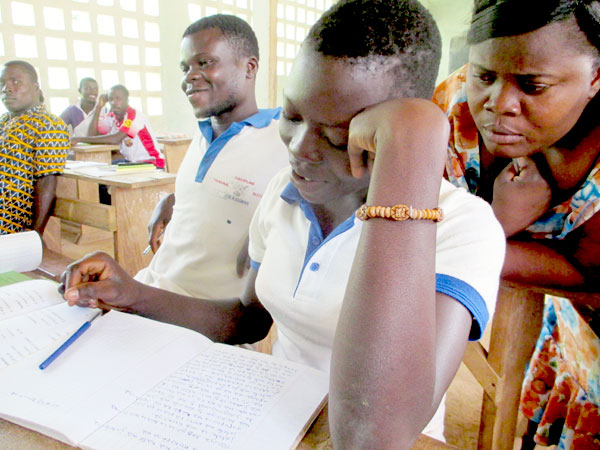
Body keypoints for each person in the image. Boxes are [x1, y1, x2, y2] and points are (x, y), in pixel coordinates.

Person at [60, 0, 505, 446]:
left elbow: (375, 437)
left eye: (337, 136)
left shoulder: (463, 229)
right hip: (271, 423)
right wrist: (133, 294)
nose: (300, 148)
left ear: (393, 128)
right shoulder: (283, 192)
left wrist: (414, 143)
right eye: (292, 115)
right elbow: (247, 320)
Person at [432, 0, 600, 447]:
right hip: (572, 350)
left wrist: (473, 234)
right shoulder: (450, 113)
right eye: (483, 75)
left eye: (533, 85)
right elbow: (401, 230)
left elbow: (590, 275)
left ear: (596, 78)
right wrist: (497, 220)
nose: (499, 105)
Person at [134, 14, 288, 300]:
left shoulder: (285, 139)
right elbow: (217, 188)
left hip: (202, 320)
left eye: (205, 63)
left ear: (249, 67)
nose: (190, 77)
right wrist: (173, 199)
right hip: (152, 289)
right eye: (185, 68)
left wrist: (268, 228)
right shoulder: (205, 131)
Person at [0, 60, 69, 235]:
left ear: (35, 87)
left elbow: (47, 182)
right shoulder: (4, 121)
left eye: (16, 82)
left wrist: (34, 234)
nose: (6, 89)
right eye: (2, 83)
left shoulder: (48, 123)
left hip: (9, 225)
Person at [71, 84, 165, 168]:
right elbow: (91, 136)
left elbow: (116, 139)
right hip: (133, 163)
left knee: (107, 174)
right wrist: (98, 107)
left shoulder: (135, 116)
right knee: (99, 169)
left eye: (118, 99)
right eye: (111, 99)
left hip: (152, 163)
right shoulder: (112, 117)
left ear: (127, 100)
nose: (114, 102)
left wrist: (78, 139)